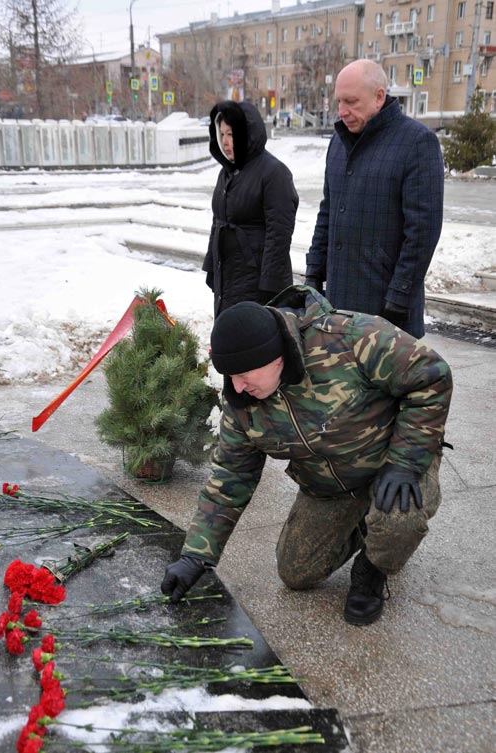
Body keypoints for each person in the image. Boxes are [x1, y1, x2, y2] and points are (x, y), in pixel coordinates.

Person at [161, 285, 453, 626]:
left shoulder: (353, 338)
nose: (237, 387)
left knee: (399, 518)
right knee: (296, 573)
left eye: (243, 374)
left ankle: (373, 570)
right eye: (231, 377)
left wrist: (406, 462)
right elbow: (231, 477)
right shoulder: (244, 404)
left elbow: (432, 378)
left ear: (275, 356)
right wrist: (196, 556)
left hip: (393, 464)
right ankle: (363, 525)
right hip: (330, 486)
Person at [305, 59, 444, 339]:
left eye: (352, 102)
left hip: (388, 314)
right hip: (338, 310)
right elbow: (328, 213)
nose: (342, 111)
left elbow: (422, 232)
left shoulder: (417, 143)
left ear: (379, 97)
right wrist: (313, 273)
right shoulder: (339, 142)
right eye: (339, 102)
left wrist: (399, 298)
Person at [204, 100, 299, 317]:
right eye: (222, 134)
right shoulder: (227, 172)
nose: (226, 142)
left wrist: (269, 287)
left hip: (257, 283)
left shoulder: (274, 172)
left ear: (247, 133)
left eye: (231, 134)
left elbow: (279, 234)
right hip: (228, 278)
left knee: (250, 343)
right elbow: (217, 221)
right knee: (229, 339)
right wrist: (211, 266)